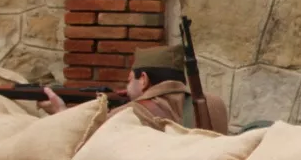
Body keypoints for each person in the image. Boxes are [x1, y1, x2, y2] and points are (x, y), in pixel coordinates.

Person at [40, 45, 231, 134]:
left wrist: (61, 113)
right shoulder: (214, 104)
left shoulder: (129, 113)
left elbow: (80, 142)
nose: (126, 87)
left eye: (129, 80)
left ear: (144, 80)